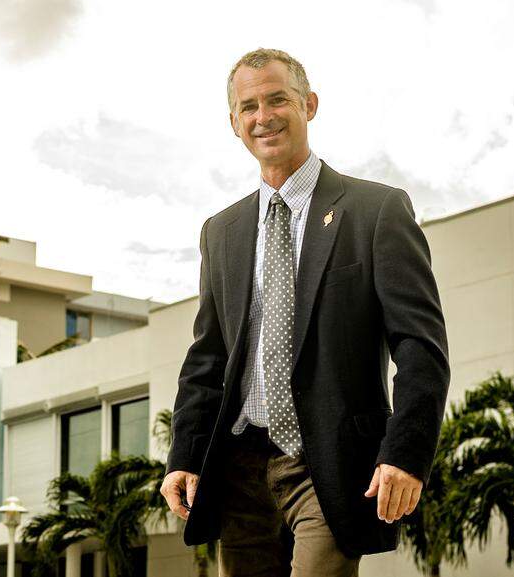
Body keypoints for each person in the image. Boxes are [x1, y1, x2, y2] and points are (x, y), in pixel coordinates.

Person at [159, 48, 450, 577]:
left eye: (278, 100)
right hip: (238, 468)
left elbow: (419, 345)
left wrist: (406, 452)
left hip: (329, 466)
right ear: (234, 123)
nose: (263, 117)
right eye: (248, 107)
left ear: (309, 105)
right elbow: (208, 357)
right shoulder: (219, 232)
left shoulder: (375, 210)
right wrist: (184, 454)